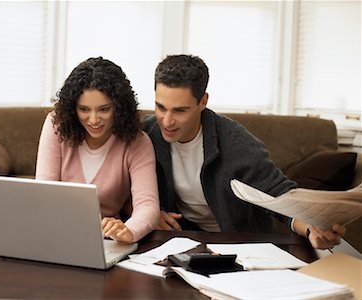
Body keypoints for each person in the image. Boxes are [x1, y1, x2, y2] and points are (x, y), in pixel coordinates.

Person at [143, 54, 345, 250]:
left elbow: (279, 195)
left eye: (180, 111)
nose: (167, 121)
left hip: (241, 244)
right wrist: (150, 212)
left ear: (203, 101)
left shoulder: (237, 142)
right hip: (185, 241)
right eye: (160, 107)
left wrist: (312, 229)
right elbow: (123, 183)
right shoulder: (147, 134)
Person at [36, 57, 159, 243]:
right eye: (84, 109)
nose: (93, 120)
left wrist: (128, 231)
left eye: (103, 109)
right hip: (56, 235)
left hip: (107, 241)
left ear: (119, 107)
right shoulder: (56, 126)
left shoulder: (138, 142)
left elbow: (147, 205)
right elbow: (43, 193)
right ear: (72, 108)